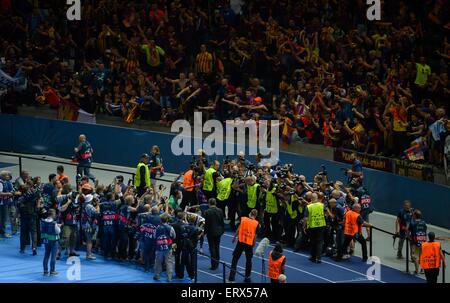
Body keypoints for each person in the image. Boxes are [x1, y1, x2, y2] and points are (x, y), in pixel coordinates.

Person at [228, 209, 259, 283]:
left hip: (241, 241)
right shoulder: (256, 223)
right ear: (256, 216)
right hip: (249, 244)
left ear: (250, 213)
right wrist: (253, 244)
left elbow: (238, 230)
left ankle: (231, 278)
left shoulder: (243, 219)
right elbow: (255, 236)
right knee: (249, 261)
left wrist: (234, 237)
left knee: (235, 259)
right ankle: (247, 278)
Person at [304, 193, 326, 263]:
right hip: (321, 225)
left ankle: (313, 257)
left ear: (311, 199)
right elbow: (326, 214)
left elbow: (305, 218)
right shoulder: (322, 205)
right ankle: (319, 258)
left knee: (313, 242)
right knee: (319, 242)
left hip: (312, 226)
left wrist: (304, 226)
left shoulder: (309, 207)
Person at [154, 213, 176, 281]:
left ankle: (157, 276)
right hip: (168, 247)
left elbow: (155, 236)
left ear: (160, 220)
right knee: (169, 262)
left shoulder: (157, 227)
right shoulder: (170, 228)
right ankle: (169, 278)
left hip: (159, 247)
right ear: (167, 219)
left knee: (158, 262)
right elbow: (174, 236)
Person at [204, 198, 224, 270]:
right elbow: (222, 221)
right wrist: (222, 230)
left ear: (209, 203)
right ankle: (217, 263)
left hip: (211, 232)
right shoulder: (220, 210)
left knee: (212, 248)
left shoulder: (207, 212)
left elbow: (207, 224)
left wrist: (204, 232)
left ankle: (213, 265)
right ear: (215, 203)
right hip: (219, 231)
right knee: (217, 247)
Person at [140, 206, 161, 272]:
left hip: (147, 237)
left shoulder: (147, 216)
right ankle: (152, 265)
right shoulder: (159, 218)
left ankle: (147, 267)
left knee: (146, 253)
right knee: (154, 253)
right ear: (157, 212)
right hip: (155, 239)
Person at [41, 209, 61, 276]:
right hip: (54, 241)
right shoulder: (54, 223)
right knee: (53, 256)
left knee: (46, 255)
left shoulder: (43, 221)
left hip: (46, 240)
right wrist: (58, 226)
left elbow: (42, 230)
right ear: (53, 214)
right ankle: (52, 271)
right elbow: (58, 231)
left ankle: (45, 271)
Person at [408, 209, 427, 275]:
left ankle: (416, 271)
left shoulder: (412, 223)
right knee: (422, 256)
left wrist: (409, 237)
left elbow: (408, 232)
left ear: (415, 216)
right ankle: (422, 270)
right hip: (423, 242)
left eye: (413, 214)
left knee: (415, 256)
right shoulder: (424, 223)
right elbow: (424, 232)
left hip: (415, 242)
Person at [0, 170, 16, 238]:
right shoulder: (0, 183)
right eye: (7, 175)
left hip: (4, 202)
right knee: (2, 219)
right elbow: (0, 193)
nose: (8, 176)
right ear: (3, 176)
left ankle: (2, 232)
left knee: (3, 219)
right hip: (1, 203)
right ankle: (2, 233)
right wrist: (9, 193)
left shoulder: (5, 182)